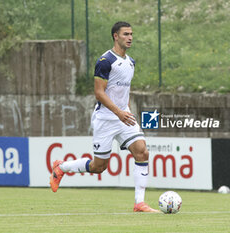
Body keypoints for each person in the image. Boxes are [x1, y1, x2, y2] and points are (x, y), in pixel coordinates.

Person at [50, 21, 159, 213]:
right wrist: (119, 112)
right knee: (99, 166)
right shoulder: (105, 61)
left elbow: (124, 90)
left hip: (124, 117)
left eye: (131, 34)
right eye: (126, 34)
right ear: (116, 36)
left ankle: (139, 203)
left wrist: (126, 110)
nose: (130, 37)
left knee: (142, 152)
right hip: (106, 119)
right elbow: (99, 93)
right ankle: (62, 167)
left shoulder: (131, 62)